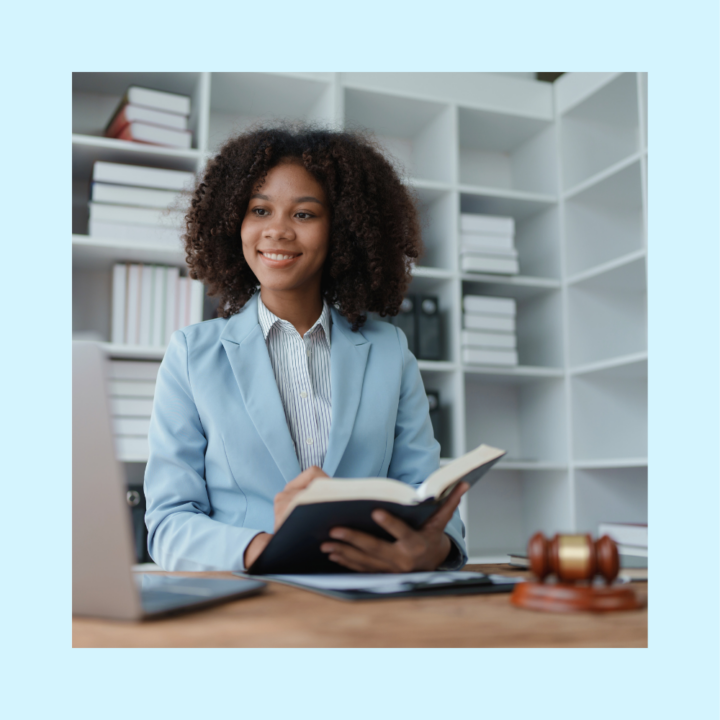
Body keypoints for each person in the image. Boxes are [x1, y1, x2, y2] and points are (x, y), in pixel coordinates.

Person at [144, 125, 469, 572]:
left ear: (343, 231)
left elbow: (430, 501)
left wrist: (432, 549)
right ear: (234, 222)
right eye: (260, 210)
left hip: (367, 598)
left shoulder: (390, 351)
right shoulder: (191, 355)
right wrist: (270, 549)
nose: (277, 231)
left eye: (304, 215)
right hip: (249, 602)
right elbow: (167, 525)